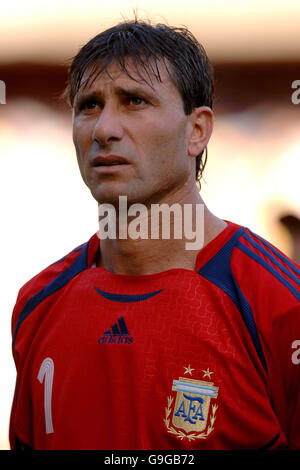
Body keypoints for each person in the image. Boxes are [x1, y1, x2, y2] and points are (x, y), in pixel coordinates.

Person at [9, 19, 300, 450]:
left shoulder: (278, 304)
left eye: (134, 101)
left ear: (197, 130)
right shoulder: (38, 304)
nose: (103, 129)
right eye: (88, 105)